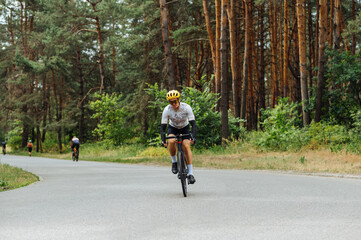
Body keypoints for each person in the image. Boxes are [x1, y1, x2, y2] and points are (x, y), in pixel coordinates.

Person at [160, 90, 197, 184]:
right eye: (171, 102)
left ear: (179, 100)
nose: (173, 104)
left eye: (175, 101)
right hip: (173, 128)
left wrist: (193, 137)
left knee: (186, 146)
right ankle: (174, 162)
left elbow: (193, 124)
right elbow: (163, 127)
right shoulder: (167, 110)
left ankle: (191, 173)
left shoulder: (186, 107)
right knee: (171, 141)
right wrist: (163, 140)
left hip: (185, 128)